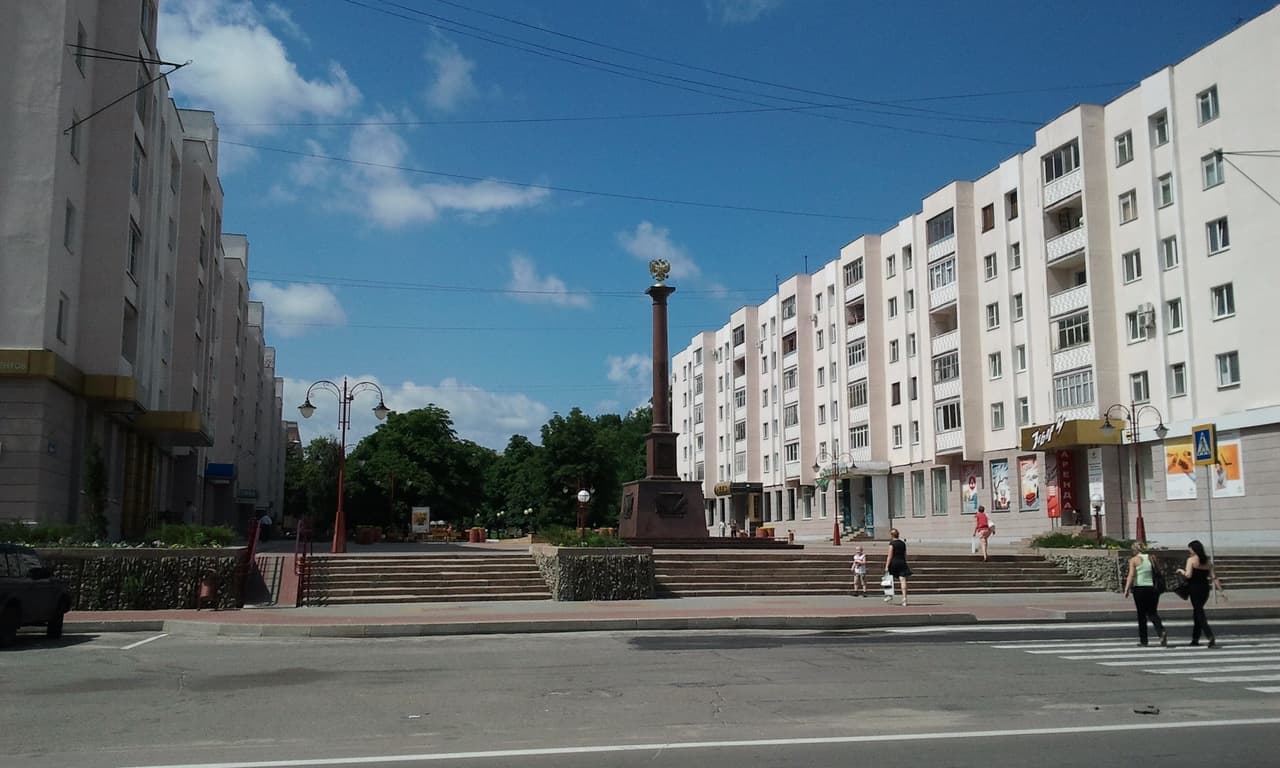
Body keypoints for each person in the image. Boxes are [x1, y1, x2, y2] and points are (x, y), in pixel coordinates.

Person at [1175, 539, 1224, 647]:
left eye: (1190, 549)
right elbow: (1214, 577)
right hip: (1205, 589)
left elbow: (1188, 575)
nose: (1189, 551)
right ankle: (1195, 639)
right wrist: (1221, 591)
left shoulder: (1191, 560)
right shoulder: (1207, 561)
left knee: (1199, 613)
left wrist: (1180, 571)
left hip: (1194, 588)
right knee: (1197, 612)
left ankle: (1209, 635)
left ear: (1194, 549)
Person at [1122, 542, 1167, 646]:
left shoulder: (1134, 560)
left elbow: (1131, 575)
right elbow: (1159, 571)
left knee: (1141, 615)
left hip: (1140, 589)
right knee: (1152, 612)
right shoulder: (1152, 557)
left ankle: (1144, 640)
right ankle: (1161, 631)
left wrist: (1127, 589)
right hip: (1153, 588)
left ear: (1134, 550)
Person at [883, 528, 912, 606]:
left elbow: (890, 555)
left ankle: (889, 595)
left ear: (891, 535)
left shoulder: (892, 543)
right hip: (902, 562)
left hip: (894, 563)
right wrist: (905, 562)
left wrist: (886, 566)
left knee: (888, 578)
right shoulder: (903, 543)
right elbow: (905, 554)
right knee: (903, 580)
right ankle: (904, 598)